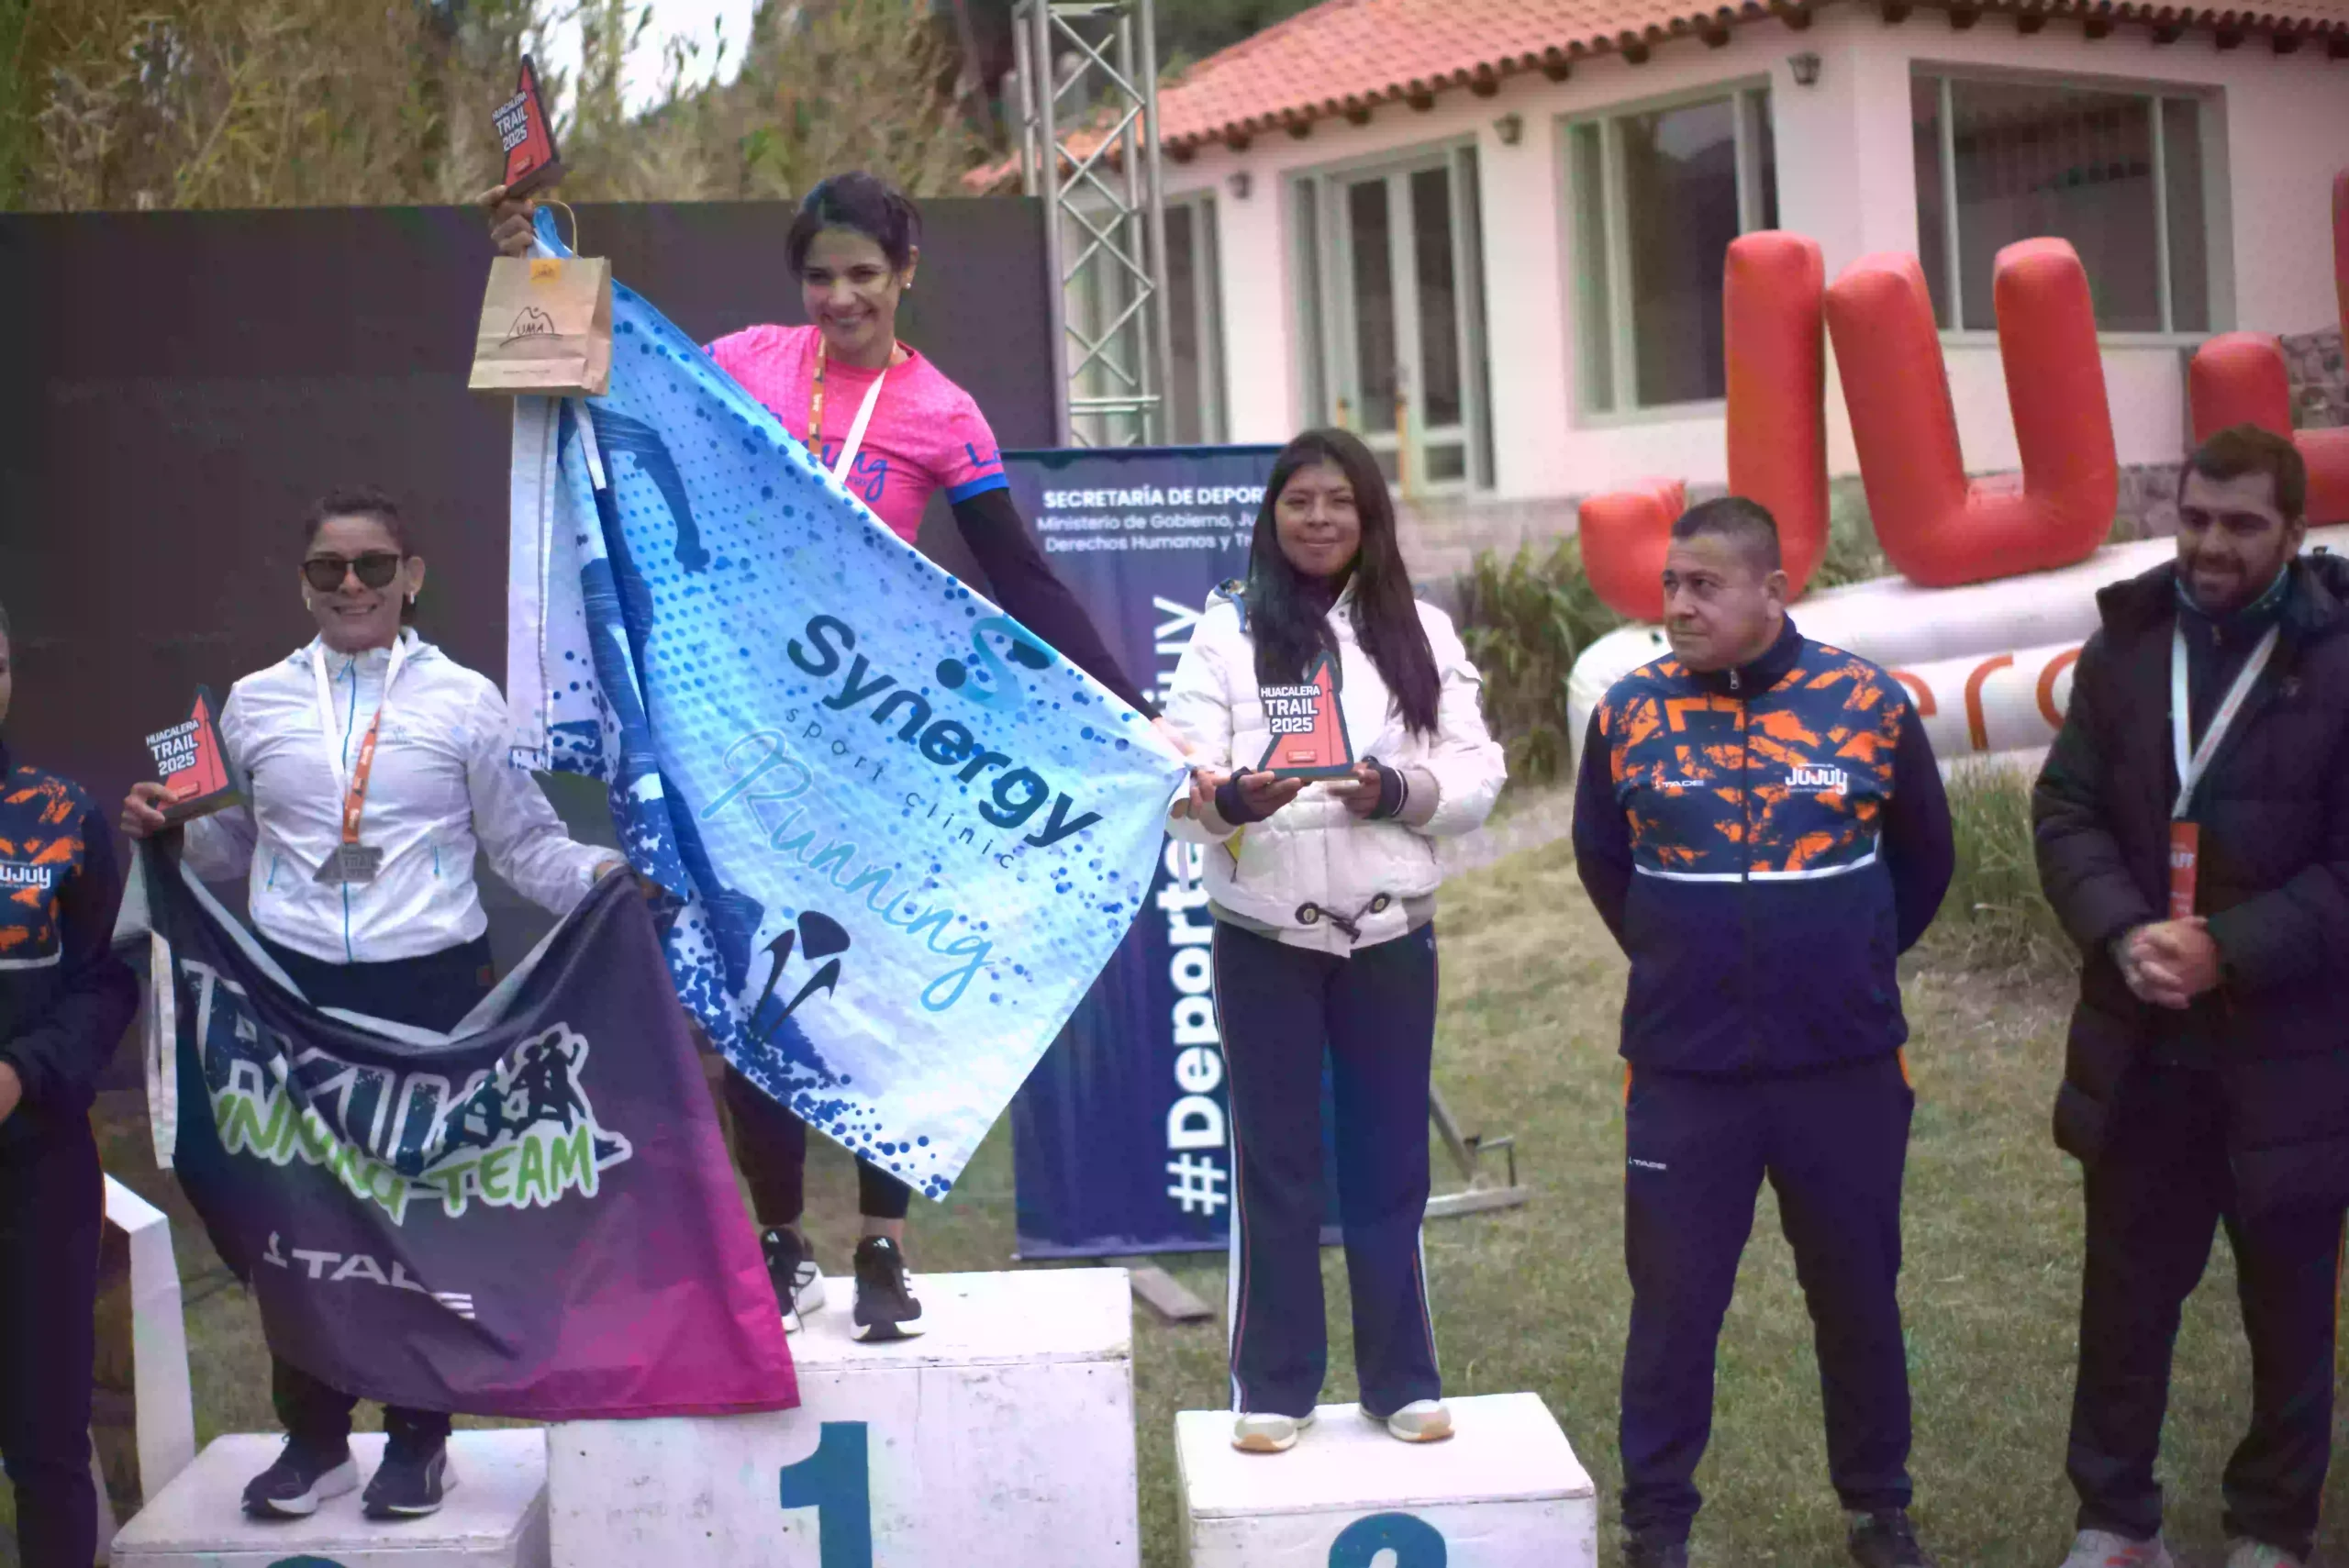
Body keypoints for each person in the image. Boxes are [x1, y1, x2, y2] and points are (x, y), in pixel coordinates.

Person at [484, 170, 1162, 1343]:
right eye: (820, 275)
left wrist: (1135, 714)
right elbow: (607, 372)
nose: (841, 297)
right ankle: (781, 1237)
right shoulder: (746, 361)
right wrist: (531, 264)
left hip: (874, 744)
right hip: (742, 732)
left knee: (881, 978)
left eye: (863, 274)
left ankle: (883, 1242)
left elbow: (1021, 577)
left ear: (907, 271)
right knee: (761, 979)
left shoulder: (941, 412)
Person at [120, 489, 627, 1522]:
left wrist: (608, 879)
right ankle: (314, 1438)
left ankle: (418, 1437)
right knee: (296, 1212)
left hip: (428, 986)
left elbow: (522, 844)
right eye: (328, 567)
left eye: (373, 564)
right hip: (290, 993)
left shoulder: (466, 701)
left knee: (418, 1212)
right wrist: (163, 825)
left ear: (412, 576)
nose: (351, 584)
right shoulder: (252, 703)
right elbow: (230, 843)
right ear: (302, 581)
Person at [1572, 497, 1953, 1568]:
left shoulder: (1865, 701)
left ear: (1772, 591)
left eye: (1704, 585)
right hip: (1683, 1070)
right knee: (1673, 1304)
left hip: (1843, 1064)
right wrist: (1680, 954)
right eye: (1670, 584)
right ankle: (1656, 1524)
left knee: (1856, 1292)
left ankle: (1879, 1508)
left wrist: (1842, 960)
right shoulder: (1627, 711)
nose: (1679, 604)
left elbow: (1924, 861)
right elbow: (1603, 860)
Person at [2033, 426, 2349, 1568]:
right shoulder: (2126, 644)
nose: (2211, 545)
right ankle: (2117, 1518)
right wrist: (2123, 930)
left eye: (2242, 524)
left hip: (2293, 1048)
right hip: (2144, 1036)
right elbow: (2064, 809)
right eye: (2195, 517)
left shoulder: (2340, 658)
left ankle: (2271, 1523)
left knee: (2288, 1302)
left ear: (2294, 531)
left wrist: (2227, 946)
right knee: (2124, 1294)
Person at [1160, 428, 1505, 1455]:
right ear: (1271, 514)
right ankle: (1274, 1385)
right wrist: (1231, 800)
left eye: (1339, 501)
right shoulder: (1225, 633)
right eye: (1299, 501)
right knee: (1276, 1162)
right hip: (1264, 937)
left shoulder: (1421, 630)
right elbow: (1173, 787)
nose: (1318, 519)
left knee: (1389, 1159)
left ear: (1370, 516)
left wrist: (1397, 790)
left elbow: (1478, 772)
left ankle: (1402, 1380)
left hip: (1391, 934)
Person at [0, 599, 139, 1568]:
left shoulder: (63, 814)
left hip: (39, 1168)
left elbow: (107, 978)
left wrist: (22, 1072)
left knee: (47, 1440)